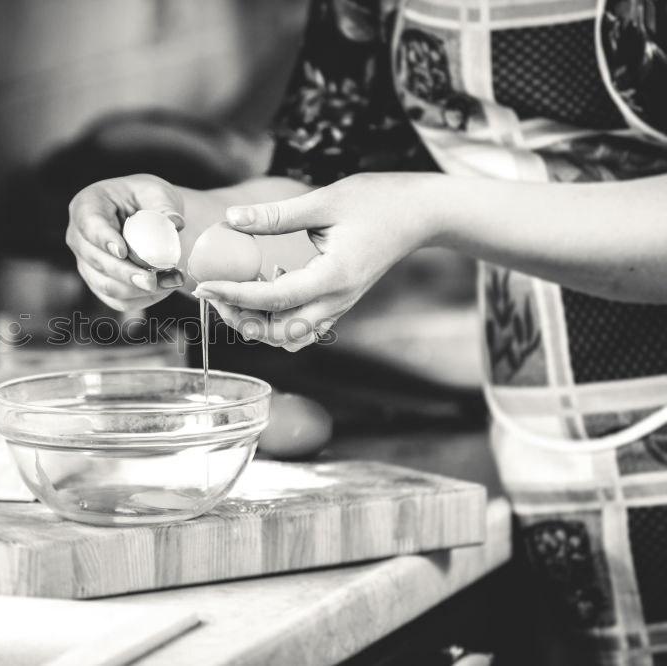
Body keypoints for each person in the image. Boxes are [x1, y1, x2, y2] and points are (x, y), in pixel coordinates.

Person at [66, 0, 667, 662]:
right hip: (548, 443)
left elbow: (400, 205)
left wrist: (426, 208)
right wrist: (174, 217)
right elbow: (316, 190)